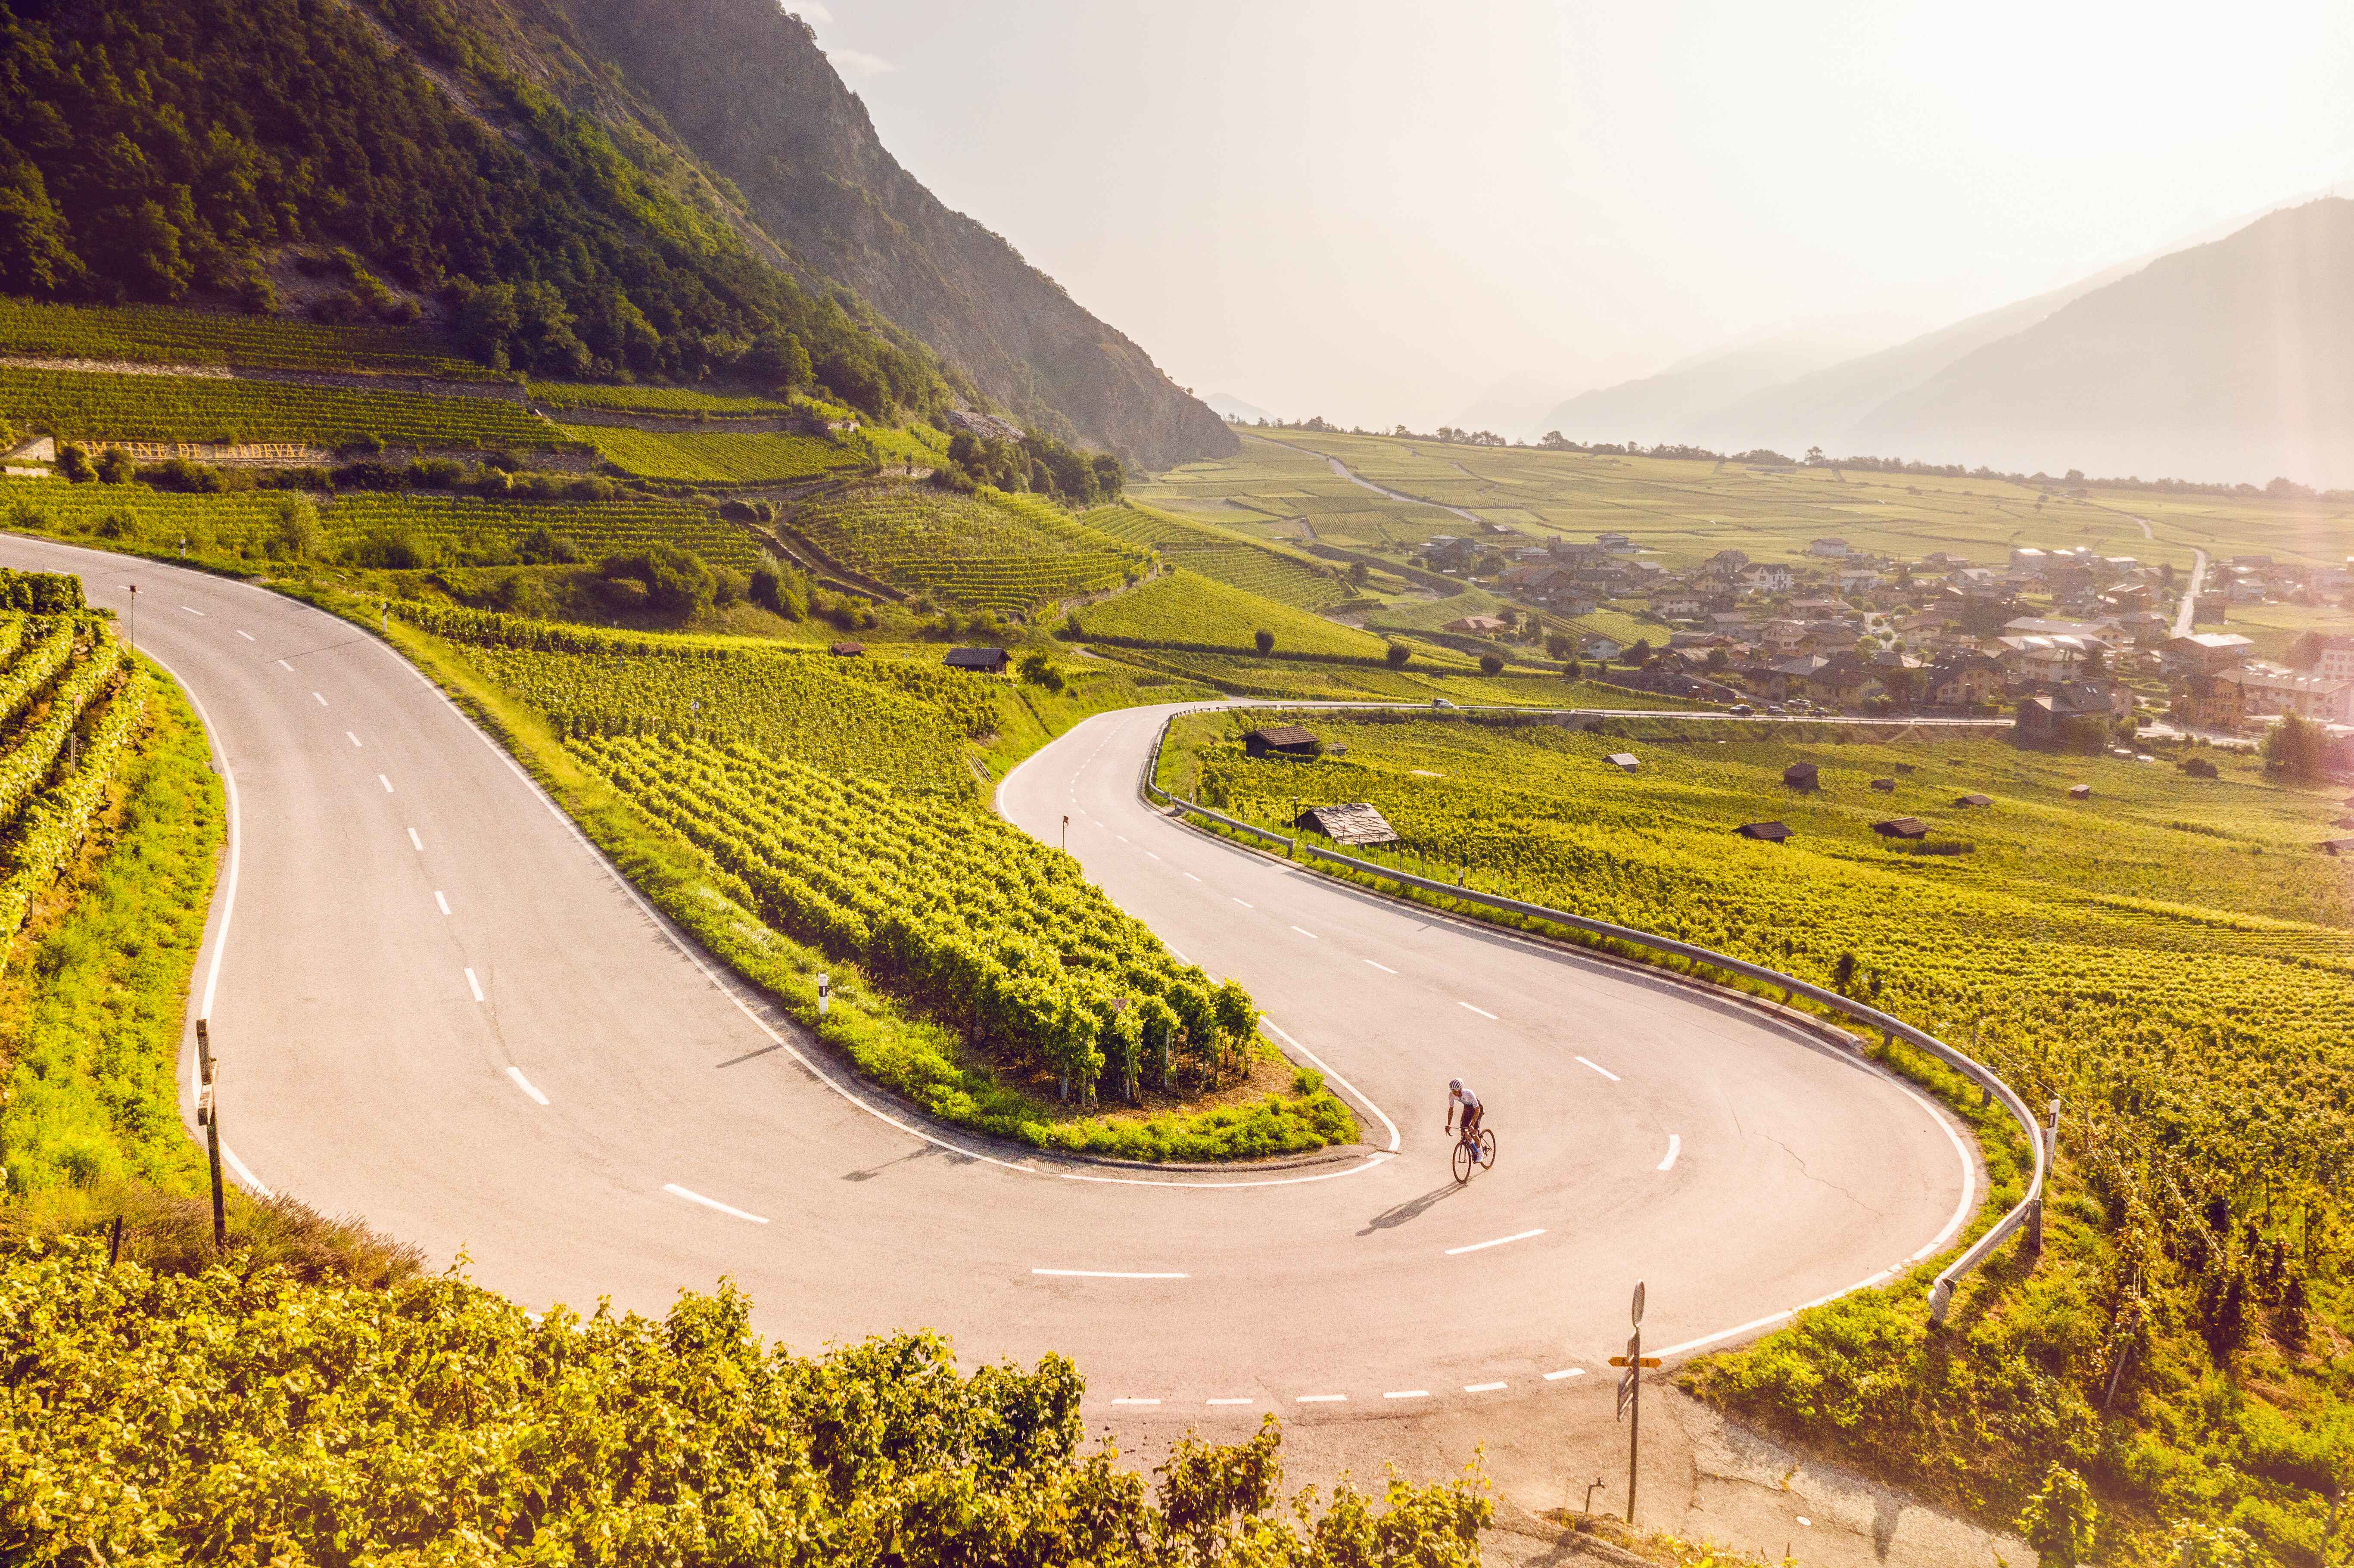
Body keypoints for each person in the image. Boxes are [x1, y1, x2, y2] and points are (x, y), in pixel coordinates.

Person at [1446, 1078, 1485, 1163]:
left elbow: (1477, 1110)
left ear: (1460, 1089)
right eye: (1452, 1091)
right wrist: (1449, 1124)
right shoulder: (1452, 1095)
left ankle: (1480, 1153)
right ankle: (1474, 1148)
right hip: (1468, 1110)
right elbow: (1451, 1109)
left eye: (1456, 1091)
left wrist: (1472, 1125)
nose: (1454, 1093)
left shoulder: (1469, 1094)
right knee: (1464, 1132)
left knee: (1474, 1134)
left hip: (1477, 1110)